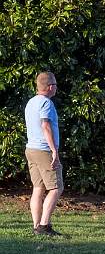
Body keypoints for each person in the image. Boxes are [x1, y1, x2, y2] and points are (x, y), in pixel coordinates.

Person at [25, 71, 63, 236]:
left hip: (31, 149)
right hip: (44, 150)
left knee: (38, 187)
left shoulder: (30, 102)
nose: (56, 87)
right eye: (55, 84)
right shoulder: (46, 103)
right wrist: (54, 150)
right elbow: (45, 126)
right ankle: (44, 225)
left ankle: (36, 225)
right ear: (49, 87)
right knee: (56, 187)